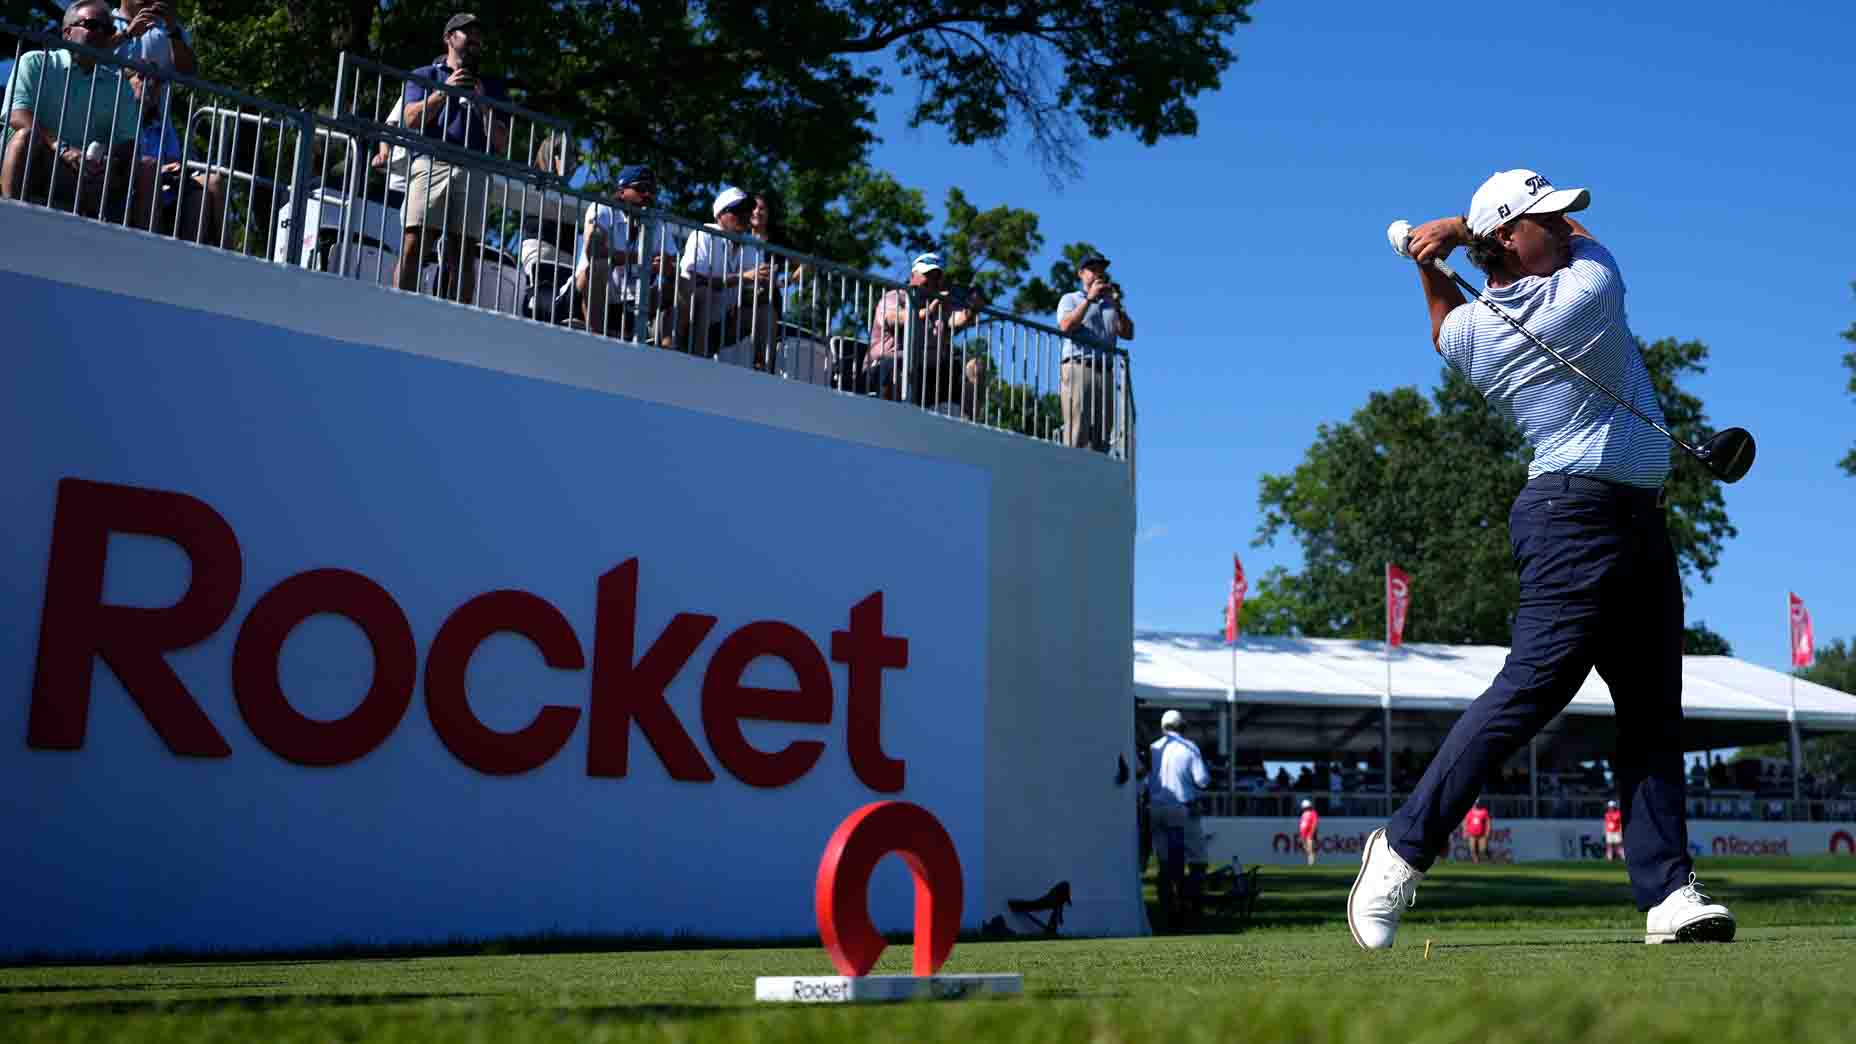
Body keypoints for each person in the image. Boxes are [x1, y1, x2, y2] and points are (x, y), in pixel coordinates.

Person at [1348, 168, 1735, 950]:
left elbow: (1442, 325)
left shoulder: (1476, 336)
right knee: (1529, 693)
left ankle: (1668, 895)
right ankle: (1399, 847)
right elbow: (1598, 248)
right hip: (1572, 521)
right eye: (1545, 221)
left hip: (1635, 523)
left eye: (1561, 218)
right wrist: (1461, 230)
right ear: (1509, 243)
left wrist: (1433, 254)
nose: (1563, 228)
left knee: (1654, 715)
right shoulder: (1584, 294)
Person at [394, 12, 511, 307]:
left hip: (473, 169)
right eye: (465, 32)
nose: (474, 39)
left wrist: (483, 104)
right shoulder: (424, 75)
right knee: (414, 243)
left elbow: (501, 143)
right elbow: (409, 120)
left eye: (478, 35)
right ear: (449, 38)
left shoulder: (494, 86)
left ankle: (455, 320)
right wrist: (443, 93)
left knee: (463, 252)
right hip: (431, 163)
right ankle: (396, 307)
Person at [2, 1, 149, 217]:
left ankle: (131, 246)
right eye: (91, 25)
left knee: (145, 167)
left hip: (82, 174)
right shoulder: (34, 62)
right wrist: (62, 148)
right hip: (37, 159)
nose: (100, 32)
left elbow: (128, 142)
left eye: (107, 29)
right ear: (67, 33)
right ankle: (9, 219)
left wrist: (106, 158)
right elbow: (17, 114)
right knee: (25, 137)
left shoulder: (118, 86)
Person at [571, 164, 678, 340]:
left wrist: (667, 268)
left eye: (652, 190)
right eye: (642, 188)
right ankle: (596, 337)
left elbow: (675, 264)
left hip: (630, 302)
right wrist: (641, 258)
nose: (648, 195)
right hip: (587, 296)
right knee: (599, 265)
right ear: (621, 192)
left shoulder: (656, 222)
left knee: (680, 284)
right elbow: (594, 249)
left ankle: (668, 348)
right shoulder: (603, 208)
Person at [864, 252, 987, 401]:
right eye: (927, 275)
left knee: (958, 367)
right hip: (883, 370)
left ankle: (961, 418)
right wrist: (930, 310)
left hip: (925, 372)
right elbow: (897, 317)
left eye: (937, 277)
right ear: (913, 276)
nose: (932, 281)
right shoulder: (895, 296)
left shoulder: (941, 305)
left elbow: (957, 319)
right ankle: (893, 416)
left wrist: (972, 309)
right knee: (896, 365)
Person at [677, 186, 774, 362]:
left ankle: (763, 367)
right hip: (688, 322)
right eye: (737, 210)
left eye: (747, 210)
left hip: (721, 323)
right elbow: (694, 280)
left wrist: (766, 286)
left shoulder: (752, 245)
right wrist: (743, 277)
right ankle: (696, 363)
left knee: (766, 308)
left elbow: (755, 285)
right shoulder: (704, 234)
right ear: (720, 215)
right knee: (704, 294)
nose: (745, 215)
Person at [1054, 254, 1134, 451]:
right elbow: (1065, 326)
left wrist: (1117, 306)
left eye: (1101, 269)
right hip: (1079, 367)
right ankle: (1070, 469)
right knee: (1077, 430)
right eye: (1092, 269)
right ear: (1081, 273)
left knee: (1102, 433)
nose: (1098, 273)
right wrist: (1089, 300)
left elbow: (1128, 333)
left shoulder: (1110, 304)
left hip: (1105, 371)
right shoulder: (1070, 298)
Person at [1147, 709, 1210, 931]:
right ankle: (1191, 910)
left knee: (1166, 865)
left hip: (1155, 809)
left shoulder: (1153, 748)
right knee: (1198, 859)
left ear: (1163, 727)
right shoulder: (1189, 747)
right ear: (1182, 726)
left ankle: (1167, 913)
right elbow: (1202, 780)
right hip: (1182, 808)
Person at [1463, 798, 1492, 864]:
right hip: (1472, 834)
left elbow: (1488, 822)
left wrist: (1487, 832)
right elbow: (1466, 822)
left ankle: (1488, 858)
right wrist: (1465, 831)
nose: (1476, 805)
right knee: (1472, 849)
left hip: (1482, 834)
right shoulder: (1470, 812)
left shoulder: (1484, 812)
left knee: (1483, 849)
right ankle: (1476, 862)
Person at [1297, 798, 1320, 866]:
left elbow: (1315, 823)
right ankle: (1310, 858)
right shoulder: (1303, 814)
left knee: (1310, 847)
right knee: (1305, 847)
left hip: (1310, 832)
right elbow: (1301, 824)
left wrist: (1313, 831)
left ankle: (1311, 862)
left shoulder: (1313, 813)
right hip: (1304, 832)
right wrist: (1300, 833)